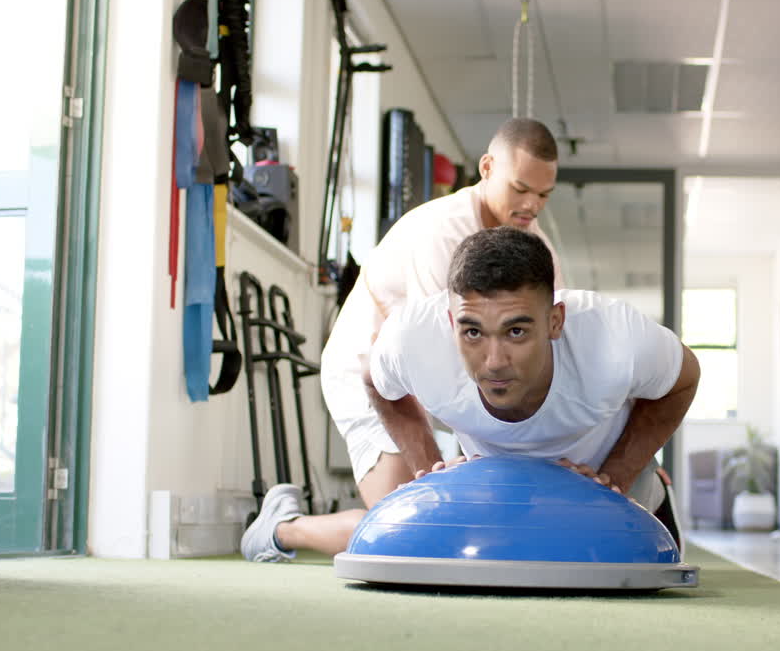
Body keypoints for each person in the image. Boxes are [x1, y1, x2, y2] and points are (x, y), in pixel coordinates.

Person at [242, 227, 699, 562]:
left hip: (603, 475)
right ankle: (283, 529)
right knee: (400, 544)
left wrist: (615, 475)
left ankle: (646, 488)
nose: (494, 360)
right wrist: (427, 469)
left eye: (516, 330)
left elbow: (685, 378)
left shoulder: (614, 337)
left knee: (653, 561)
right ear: (449, 321)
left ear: (556, 321)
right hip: (495, 480)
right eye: (473, 331)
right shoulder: (414, 338)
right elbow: (374, 380)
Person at [240, 119, 562, 562]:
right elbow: (451, 350)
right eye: (521, 188)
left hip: (423, 378)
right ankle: (281, 529)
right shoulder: (441, 231)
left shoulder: (534, 247)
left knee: (439, 528)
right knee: (400, 529)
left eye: (544, 195)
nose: (531, 205)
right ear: (487, 168)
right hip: (368, 372)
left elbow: (547, 346)